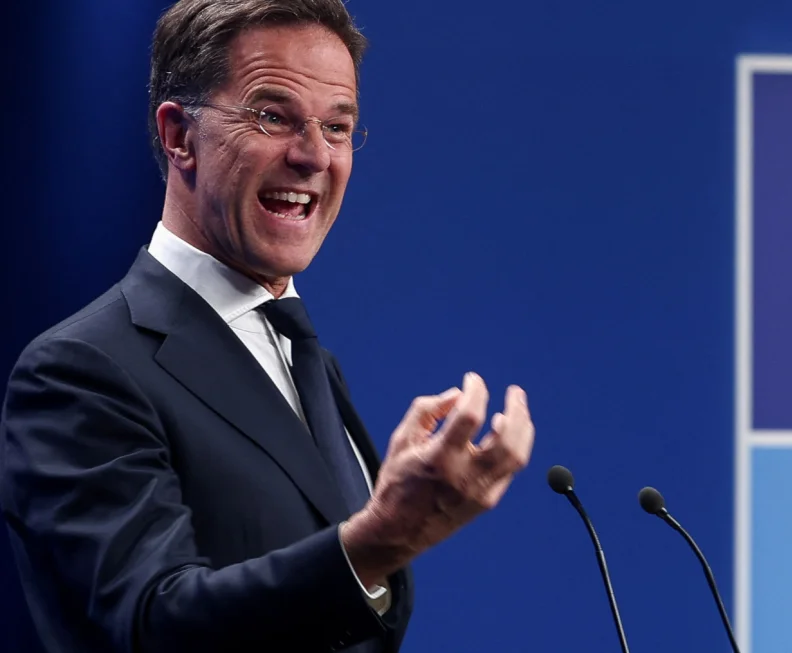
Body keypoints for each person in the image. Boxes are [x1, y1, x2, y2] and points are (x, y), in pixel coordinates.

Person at [0, 1, 535, 651]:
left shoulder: (304, 357)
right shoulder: (81, 369)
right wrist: (377, 538)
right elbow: (154, 624)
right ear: (178, 135)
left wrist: (375, 547)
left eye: (338, 127)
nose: (314, 156)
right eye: (272, 115)